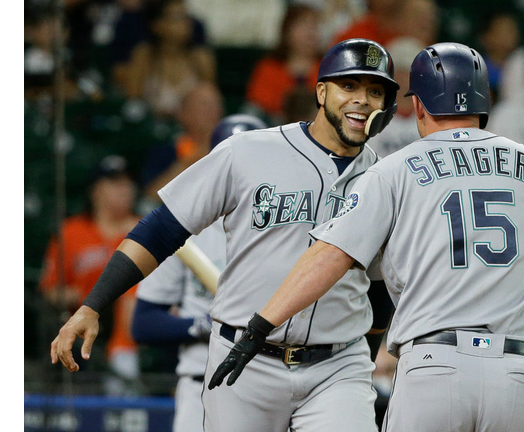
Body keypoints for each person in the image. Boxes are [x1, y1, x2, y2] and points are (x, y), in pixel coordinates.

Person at [206, 43, 524, 432]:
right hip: (517, 372)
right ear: (485, 103)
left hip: (433, 367)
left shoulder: (391, 171)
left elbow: (328, 256)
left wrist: (259, 325)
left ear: (418, 106)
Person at [51, 38, 400, 432]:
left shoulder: (385, 179)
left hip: (338, 365)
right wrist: (93, 305)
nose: (362, 100)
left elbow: (377, 287)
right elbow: (162, 228)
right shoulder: (248, 151)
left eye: (375, 92)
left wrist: (367, 355)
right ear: (321, 92)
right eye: (348, 86)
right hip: (244, 359)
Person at [131, 115, 267, 432]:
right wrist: (203, 326)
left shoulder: (290, 228)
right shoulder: (188, 230)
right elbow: (144, 323)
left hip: (269, 383)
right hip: (201, 385)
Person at [40, 155, 142, 393]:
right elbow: (50, 290)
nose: (124, 189)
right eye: (115, 183)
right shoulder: (71, 232)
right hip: (84, 329)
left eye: (127, 183)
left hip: (129, 333)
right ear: (95, 191)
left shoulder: (144, 229)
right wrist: (88, 295)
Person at [122, 0, 217, 119]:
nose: (186, 23)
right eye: (177, 18)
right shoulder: (144, 56)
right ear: (157, 25)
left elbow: (210, 103)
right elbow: (133, 101)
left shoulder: (201, 58)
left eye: (186, 16)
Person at [140, 82, 225, 208]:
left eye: (215, 104)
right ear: (183, 114)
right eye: (203, 104)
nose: (211, 110)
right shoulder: (167, 150)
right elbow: (150, 197)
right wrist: (190, 161)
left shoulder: (232, 147)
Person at [243, 4, 323, 124]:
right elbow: (258, 107)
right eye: (303, 25)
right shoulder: (268, 67)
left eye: (314, 26)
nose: (310, 32)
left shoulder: (329, 67)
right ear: (286, 31)